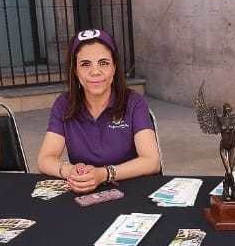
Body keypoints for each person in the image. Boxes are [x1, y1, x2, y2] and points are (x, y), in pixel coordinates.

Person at [36, 28, 160, 193]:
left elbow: (151, 161)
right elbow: (45, 159)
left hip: (131, 191)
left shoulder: (134, 102)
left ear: (114, 68)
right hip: (83, 192)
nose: (95, 71)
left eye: (104, 63)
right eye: (85, 64)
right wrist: (70, 172)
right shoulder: (63, 104)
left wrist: (104, 174)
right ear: (75, 71)